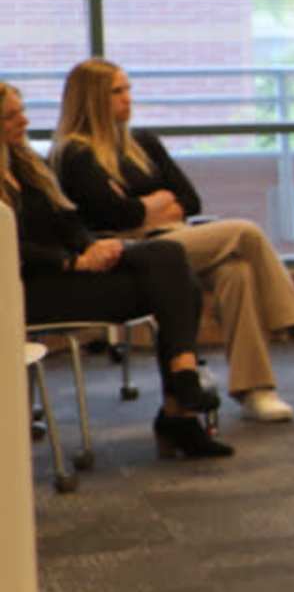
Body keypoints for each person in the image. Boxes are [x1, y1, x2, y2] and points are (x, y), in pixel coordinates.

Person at [52, 57, 294, 423]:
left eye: (128, 89)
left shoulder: (142, 144)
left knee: (237, 272)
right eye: (117, 92)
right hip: (132, 254)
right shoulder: (74, 155)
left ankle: (255, 390)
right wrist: (154, 204)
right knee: (245, 232)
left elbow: (188, 200)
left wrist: (142, 207)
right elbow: (115, 217)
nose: (128, 99)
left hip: (174, 239)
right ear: (92, 99)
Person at [9, 79, 229, 460]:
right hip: (29, 288)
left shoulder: (28, 164)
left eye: (22, 111)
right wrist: (71, 260)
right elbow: (10, 246)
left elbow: (68, 220)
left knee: (167, 258)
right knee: (180, 283)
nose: (24, 121)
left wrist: (91, 246)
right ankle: (179, 410)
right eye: (11, 116)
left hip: (71, 268)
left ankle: (183, 378)